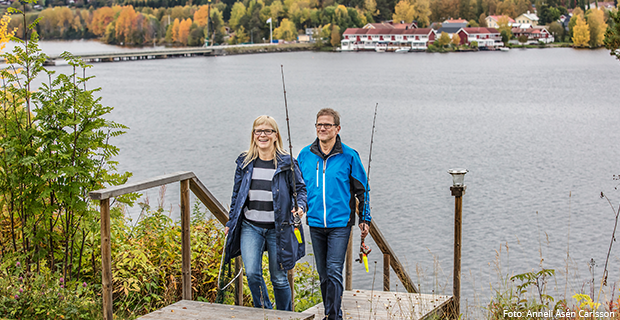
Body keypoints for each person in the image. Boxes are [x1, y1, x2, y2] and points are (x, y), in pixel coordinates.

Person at [224, 115, 307, 311]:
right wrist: (230, 221)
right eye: (258, 131)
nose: (262, 135)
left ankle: (285, 315)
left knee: (278, 277)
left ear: (275, 135)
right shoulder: (244, 162)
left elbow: (301, 190)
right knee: (252, 273)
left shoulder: (287, 163)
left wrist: (301, 207)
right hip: (250, 226)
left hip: (279, 228)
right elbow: (236, 195)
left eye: (267, 131)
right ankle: (264, 311)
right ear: (253, 136)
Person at [297, 108, 371, 320]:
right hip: (316, 222)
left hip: (340, 223)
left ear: (337, 129)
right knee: (323, 274)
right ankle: (331, 313)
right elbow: (297, 187)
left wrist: (365, 218)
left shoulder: (349, 156)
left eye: (327, 125)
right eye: (319, 124)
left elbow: (362, 189)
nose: (322, 128)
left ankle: (333, 315)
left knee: (333, 270)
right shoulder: (305, 155)